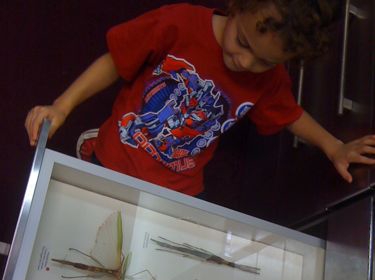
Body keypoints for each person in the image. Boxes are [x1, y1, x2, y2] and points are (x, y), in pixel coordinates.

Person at [25, 0, 375, 196]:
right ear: (237, 6)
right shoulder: (181, 22)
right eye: (243, 43)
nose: (246, 63)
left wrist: (334, 147)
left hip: (178, 187)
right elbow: (115, 60)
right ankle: (95, 141)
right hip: (117, 156)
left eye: (265, 61)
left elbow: (289, 114)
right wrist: (62, 105)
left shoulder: (267, 78)